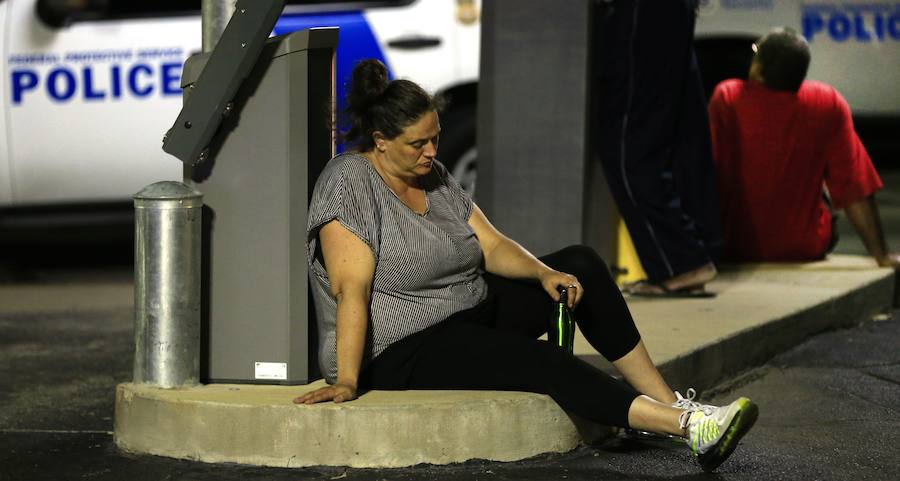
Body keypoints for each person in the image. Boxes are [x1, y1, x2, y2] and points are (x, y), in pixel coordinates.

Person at [295, 59, 758, 472]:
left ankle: (667, 401)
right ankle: (688, 428)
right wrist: (349, 381)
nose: (432, 152)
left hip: (464, 310)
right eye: (418, 144)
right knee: (541, 361)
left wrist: (543, 273)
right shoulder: (349, 183)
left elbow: (492, 245)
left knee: (580, 265)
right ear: (380, 141)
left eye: (435, 137)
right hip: (398, 349)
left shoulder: (429, 174)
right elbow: (349, 289)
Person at [708, 28, 900, 268]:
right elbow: (854, 186)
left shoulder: (727, 97)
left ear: (758, 69)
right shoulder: (827, 102)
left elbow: (710, 172)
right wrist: (881, 254)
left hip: (737, 245)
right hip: (806, 247)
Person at [592, 0, 723, 297]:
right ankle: (687, 259)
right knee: (669, 139)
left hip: (645, 14)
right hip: (666, 13)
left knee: (629, 151)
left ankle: (682, 263)